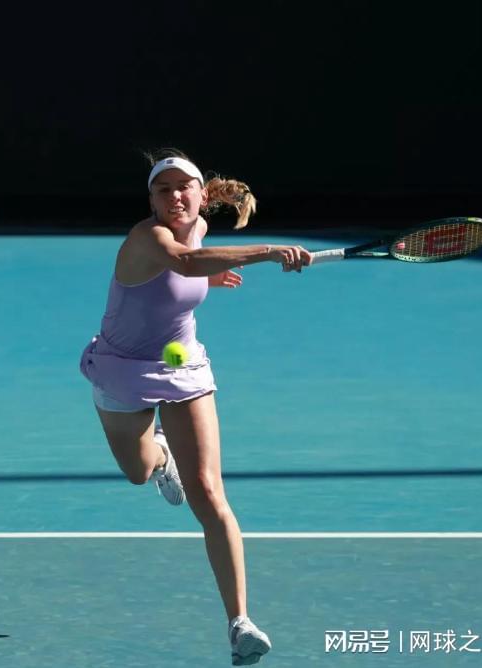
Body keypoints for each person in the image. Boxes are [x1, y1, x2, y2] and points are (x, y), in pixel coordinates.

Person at [79, 148, 312, 665]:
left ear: (202, 196)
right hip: (122, 368)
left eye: (184, 187)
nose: (175, 197)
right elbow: (182, 263)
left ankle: (240, 623)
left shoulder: (200, 226)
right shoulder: (147, 237)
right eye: (163, 190)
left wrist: (207, 281)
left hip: (181, 363)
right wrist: (269, 251)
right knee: (138, 471)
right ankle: (161, 455)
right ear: (152, 201)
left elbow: (188, 271)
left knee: (208, 492)